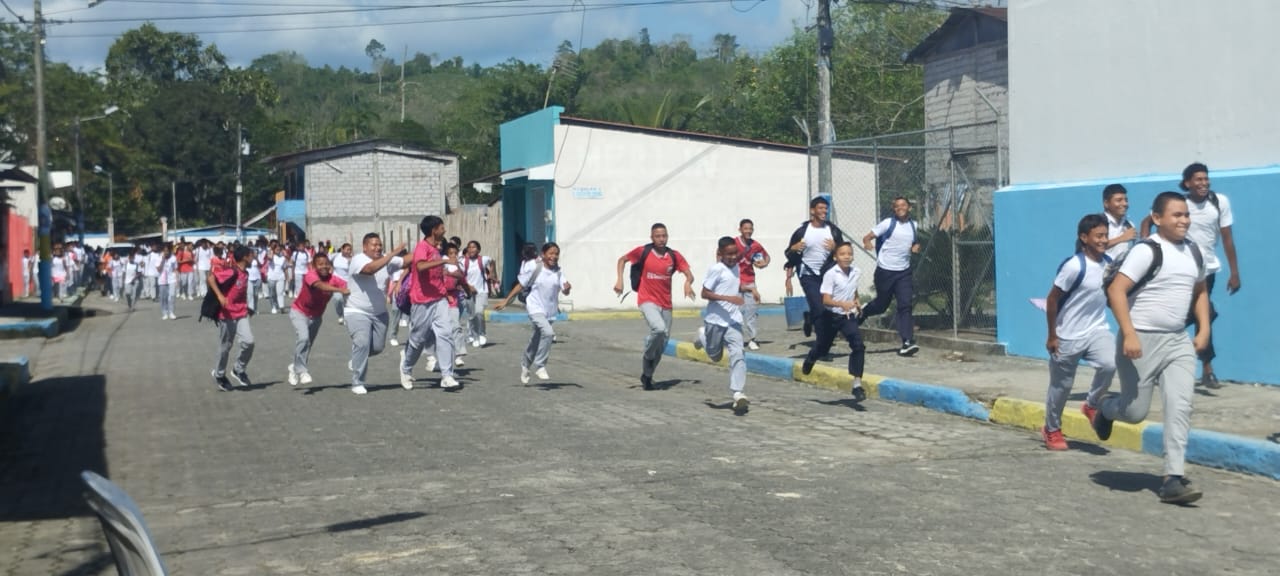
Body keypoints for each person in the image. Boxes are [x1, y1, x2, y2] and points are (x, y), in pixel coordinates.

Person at [1092, 192, 1209, 505]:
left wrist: (1204, 329)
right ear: (1157, 218)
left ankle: (1173, 478)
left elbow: (1200, 291)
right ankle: (1106, 407)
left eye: (1186, 214)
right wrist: (1129, 334)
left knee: (1180, 406)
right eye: (1176, 215)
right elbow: (1117, 290)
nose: (1184, 220)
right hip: (1140, 341)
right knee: (1134, 412)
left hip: (1177, 341)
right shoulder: (1147, 251)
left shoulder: (1194, 251)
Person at [1140, 163, 1240, 389]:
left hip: (1207, 269)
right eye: (1198, 179)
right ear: (1187, 183)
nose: (1204, 183)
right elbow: (1147, 222)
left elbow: (1227, 238)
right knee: (1202, 313)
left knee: (1202, 313)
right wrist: (1147, 244)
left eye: (1206, 178)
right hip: (1180, 268)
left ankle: (1205, 369)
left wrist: (1234, 272)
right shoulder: (1180, 205)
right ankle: (1202, 367)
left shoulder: (1219, 202)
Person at [1041, 214, 1116, 451]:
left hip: (1097, 329)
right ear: (1084, 238)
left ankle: (1091, 404)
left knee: (1110, 364)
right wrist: (1052, 335)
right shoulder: (1074, 266)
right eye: (1098, 236)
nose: (1104, 240)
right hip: (1067, 335)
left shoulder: (1110, 264)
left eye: (1106, 235)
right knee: (1061, 387)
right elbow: (1052, 300)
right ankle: (1052, 429)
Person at [613, 223, 695, 390]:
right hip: (647, 300)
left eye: (664, 236)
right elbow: (622, 260)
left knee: (662, 343)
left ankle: (647, 375)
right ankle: (648, 353)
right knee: (658, 329)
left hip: (666, 303)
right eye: (658, 236)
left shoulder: (673, 255)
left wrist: (688, 283)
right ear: (652, 237)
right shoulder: (643, 251)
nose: (661, 239)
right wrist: (619, 280)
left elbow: (689, 274)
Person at [800, 242, 868, 402]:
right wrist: (841, 304)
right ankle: (811, 358)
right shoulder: (831, 274)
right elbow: (825, 300)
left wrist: (856, 301)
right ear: (835, 257)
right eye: (842, 254)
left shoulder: (856, 272)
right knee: (823, 347)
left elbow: (853, 289)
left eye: (849, 254)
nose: (847, 257)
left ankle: (857, 385)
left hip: (847, 317)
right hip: (830, 316)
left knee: (858, 345)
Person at [495, 242, 571, 383]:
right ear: (543, 254)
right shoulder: (536, 268)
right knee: (548, 333)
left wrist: (567, 288)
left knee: (537, 338)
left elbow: (565, 290)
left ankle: (525, 364)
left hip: (550, 311)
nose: (554, 256)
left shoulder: (559, 272)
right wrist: (506, 301)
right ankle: (540, 365)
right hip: (535, 307)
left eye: (556, 254)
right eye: (551, 253)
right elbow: (520, 285)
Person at [401, 216, 461, 390]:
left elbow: (439, 274)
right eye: (442, 227)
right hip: (422, 300)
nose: (444, 230)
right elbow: (420, 266)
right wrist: (444, 260)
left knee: (446, 334)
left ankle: (447, 375)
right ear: (434, 230)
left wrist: (448, 289)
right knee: (418, 340)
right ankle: (406, 367)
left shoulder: (436, 248)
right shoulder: (422, 247)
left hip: (439, 299)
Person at [344, 233, 406, 395]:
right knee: (362, 343)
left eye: (380, 245)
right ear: (365, 247)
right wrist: (393, 253)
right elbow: (370, 269)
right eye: (374, 245)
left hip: (379, 313)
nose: (378, 247)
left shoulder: (386, 259)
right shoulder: (359, 259)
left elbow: (407, 261)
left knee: (378, 348)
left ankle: (357, 356)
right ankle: (358, 381)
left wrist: (424, 251)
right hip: (357, 310)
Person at [859, 196, 921, 357]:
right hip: (885, 271)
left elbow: (914, 242)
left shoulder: (914, 225)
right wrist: (867, 243)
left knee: (905, 305)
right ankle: (864, 311)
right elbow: (867, 237)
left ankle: (907, 342)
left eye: (903, 205)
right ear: (894, 209)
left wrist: (916, 247)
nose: (900, 208)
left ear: (909, 207)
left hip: (904, 272)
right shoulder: (887, 223)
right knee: (881, 306)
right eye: (897, 206)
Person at [693, 237, 749, 412]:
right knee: (715, 356)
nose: (733, 257)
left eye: (735, 253)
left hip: (733, 320)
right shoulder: (716, 269)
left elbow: (732, 286)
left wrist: (749, 289)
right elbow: (704, 293)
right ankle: (702, 335)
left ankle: (738, 392)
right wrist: (728, 298)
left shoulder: (737, 267)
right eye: (728, 254)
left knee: (738, 352)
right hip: (715, 320)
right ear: (720, 254)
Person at [785, 197, 847, 341]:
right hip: (808, 274)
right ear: (812, 211)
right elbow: (788, 253)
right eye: (820, 208)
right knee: (819, 306)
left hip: (827, 273)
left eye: (826, 208)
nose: (824, 211)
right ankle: (822, 341)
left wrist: (835, 248)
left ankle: (810, 317)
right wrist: (793, 249)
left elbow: (843, 251)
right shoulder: (802, 232)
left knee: (827, 307)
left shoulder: (833, 231)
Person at [287, 253, 350, 387]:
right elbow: (320, 286)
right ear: (314, 266)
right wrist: (339, 290)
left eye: (326, 264)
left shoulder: (333, 279)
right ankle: (302, 371)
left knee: (307, 345)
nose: (324, 266)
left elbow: (348, 286)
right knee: (303, 338)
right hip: (299, 312)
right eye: (320, 264)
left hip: (316, 317)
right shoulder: (310, 275)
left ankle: (294, 367)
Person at [209, 246, 256, 391]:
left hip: (241, 313)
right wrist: (220, 296)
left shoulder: (246, 273)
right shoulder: (231, 271)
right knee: (226, 346)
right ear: (245, 257)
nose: (253, 258)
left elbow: (239, 292)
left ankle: (238, 369)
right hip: (227, 314)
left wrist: (247, 307)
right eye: (251, 255)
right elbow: (211, 278)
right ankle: (219, 374)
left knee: (249, 342)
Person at [735, 219, 770, 351]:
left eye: (750, 229)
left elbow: (767, 256)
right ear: (740, 229)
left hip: (750, 281)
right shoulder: (734, 243)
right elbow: (720, 253)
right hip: (735, 281)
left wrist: (764, 263)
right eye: (745, 228)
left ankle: (752, 339)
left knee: (751, 311)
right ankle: (736, 338)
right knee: (737, 311)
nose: (748, 231)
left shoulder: (755, 245)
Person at [461, 240, 496, 348]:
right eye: (469, 247)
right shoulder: (463, 262)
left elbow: (492, 261)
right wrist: (468, 287)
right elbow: (460, 277)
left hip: (481, 291)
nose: (471, 249)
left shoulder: (483, 259)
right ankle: (475, 336)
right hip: (468, 292)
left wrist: (492, 273)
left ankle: (482, 334)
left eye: (474, 247)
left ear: (478, 249)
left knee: (479, 313)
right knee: (471, 316)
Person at [1102, 184, 1136, 260]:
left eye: (1126, 200)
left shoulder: (1129, 225)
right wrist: (1122, 238)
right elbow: (1092, 247)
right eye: (1119, 200)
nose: (1125, 204)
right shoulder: (1098, 224)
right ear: (1106, 203)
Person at [332, 242, 354, 325]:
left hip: (348, 283)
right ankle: (340, 315)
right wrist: (330, 269)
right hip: (337, 282)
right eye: (347, 249)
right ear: (342, 249)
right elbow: (327, 259)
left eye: (350, 250)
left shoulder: (353, 259)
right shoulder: (336, 256)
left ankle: (346, 317)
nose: (349, 251)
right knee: (337, 299)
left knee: (347, 301)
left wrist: (351, 262)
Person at [266, 242, 288, 314]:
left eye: (279, 248)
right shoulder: (271, 255)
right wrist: (272, 251)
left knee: (280, 292)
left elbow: (285, 267)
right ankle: (274, 306)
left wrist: (287, 276)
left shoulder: (283, 258)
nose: (278, 249)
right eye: (276, 248)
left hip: (280, 277)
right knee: (272, 293)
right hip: (271, 277)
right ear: (273, 249)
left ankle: (281, 307)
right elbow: (269, 258)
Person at [158, 245, 178, 320]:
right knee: (164, 297)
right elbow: (159, 269)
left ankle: (171, 312)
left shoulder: (173, 258)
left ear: (170, 251)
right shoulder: (159, 257)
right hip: (162, 280)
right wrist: (162, 260)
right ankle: (165, 313)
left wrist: (177, 279)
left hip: (171, 279)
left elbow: (175, 269)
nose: (166, 252)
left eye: (167, 251)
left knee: (172, 296)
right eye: (164, 251)